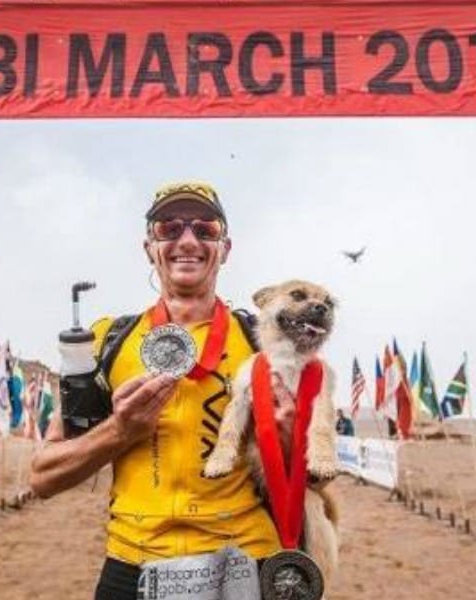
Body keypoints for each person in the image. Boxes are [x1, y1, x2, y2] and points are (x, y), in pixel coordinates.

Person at [30, 182, 285, 599]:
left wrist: (290, 429)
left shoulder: (262, 342)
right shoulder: (107, 342)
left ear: (225, 247)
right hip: (134, 562)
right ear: (149, 246)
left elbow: (309, 474)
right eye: (169, 228)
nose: (188, 240)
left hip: (246, 557)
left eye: (205, 229)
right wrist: (120, 431)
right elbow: (44, 477)